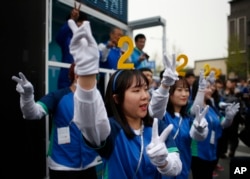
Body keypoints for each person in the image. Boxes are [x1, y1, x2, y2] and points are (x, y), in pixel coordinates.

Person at [68, 19, 182, 178]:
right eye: (136, 90)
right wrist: (87, 71)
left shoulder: (158, 127)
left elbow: (176, 167)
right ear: (116, 98)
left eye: (145, 89)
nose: (145, 96)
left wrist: (164, 162)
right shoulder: (111, 130)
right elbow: (89, 122)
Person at [11, 63, 100, 179]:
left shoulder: (95, 100)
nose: (94, 81)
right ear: (77, 76)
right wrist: (27, 97)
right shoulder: (58, 96)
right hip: (62, 166)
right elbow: (32, 113)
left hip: (89, 164)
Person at [190, 70, 240, 179]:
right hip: (198, 153)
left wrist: (229, 117)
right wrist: (201, 91)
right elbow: (195, 110)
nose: (210, 89)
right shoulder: (193, 106)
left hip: (212, 152)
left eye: (209, 87)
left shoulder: (211, 107)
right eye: (206, 87)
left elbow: (222, 124)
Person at [161, 75, 209, 179]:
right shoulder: (162, 116)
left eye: (187, 90)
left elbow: (197, 137)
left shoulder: (188, 119)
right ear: (169, 93)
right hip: (162, 171)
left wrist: (200, 130)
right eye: (179, 90)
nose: (184, 94)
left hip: (183, 169)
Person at [55, 3, 87, 89]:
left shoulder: (88, 41)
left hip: (83, 80)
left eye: (84, 23)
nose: (82, 25)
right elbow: (59, 38)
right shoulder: (67, 38)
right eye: (79, 22)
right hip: (66, 80)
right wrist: (72, 19)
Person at [98, 26, 124, 97]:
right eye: (118, 34)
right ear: (111, 34)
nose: (119, 37)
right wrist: (107, 47)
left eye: (121, 35)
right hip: (104, 79)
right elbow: (102, 59)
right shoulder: (102, 45)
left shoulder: (119, 50)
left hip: (115, 80)